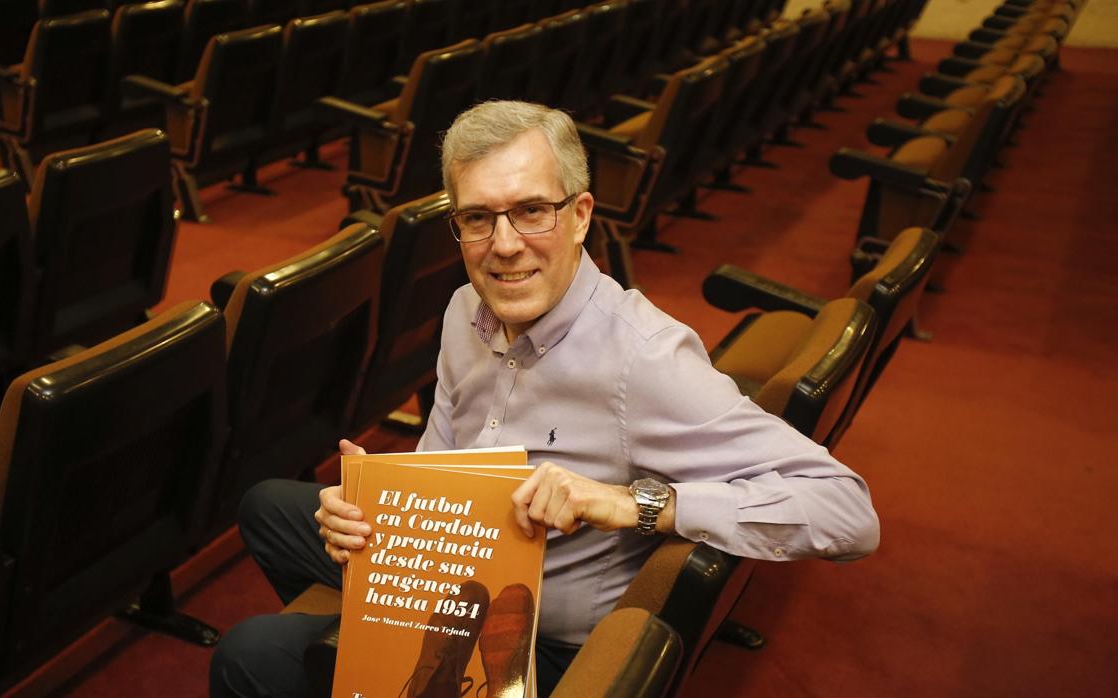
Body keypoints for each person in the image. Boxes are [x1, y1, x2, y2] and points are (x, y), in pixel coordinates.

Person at [210, 101, 880, 697]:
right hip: (457, 571)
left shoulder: (642, 357)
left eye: (532, 211)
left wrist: (631, 503)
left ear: (581, 214)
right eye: (477, 218)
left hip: (543, 646)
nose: (504, 246)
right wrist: (379, 509)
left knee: (248, 655)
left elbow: (848, 510)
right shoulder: (461, 309)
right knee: (267, 506)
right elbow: (443, 457)